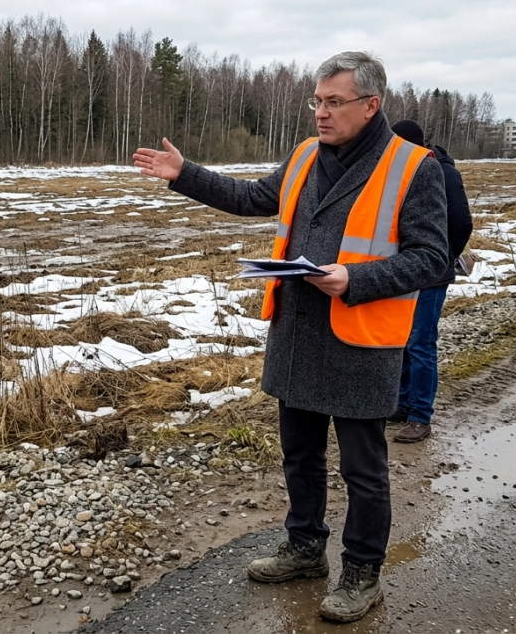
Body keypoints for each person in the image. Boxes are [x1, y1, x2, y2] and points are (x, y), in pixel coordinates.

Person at [133, 51, 447, 623]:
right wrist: (185, 174)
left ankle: (362, 573)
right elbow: (253, 198)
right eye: (316, 101)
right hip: (298, 333)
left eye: (334, 102)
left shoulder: (413, 166)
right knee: (300, 455)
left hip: (360, 341)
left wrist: (356, 279)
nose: (321, 113)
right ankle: (305, 548)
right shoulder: (304, 155)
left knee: (363, 470)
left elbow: (432, 258)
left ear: (370, 105)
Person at [389, 120, 473, 443]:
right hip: (404, 270)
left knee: (421, 343)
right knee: (402, 339)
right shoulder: (401, 171)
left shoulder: (442, 172)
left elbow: (461, 222)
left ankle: (420, 417)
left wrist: (444, 255)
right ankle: (401, 404)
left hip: (432, 272)